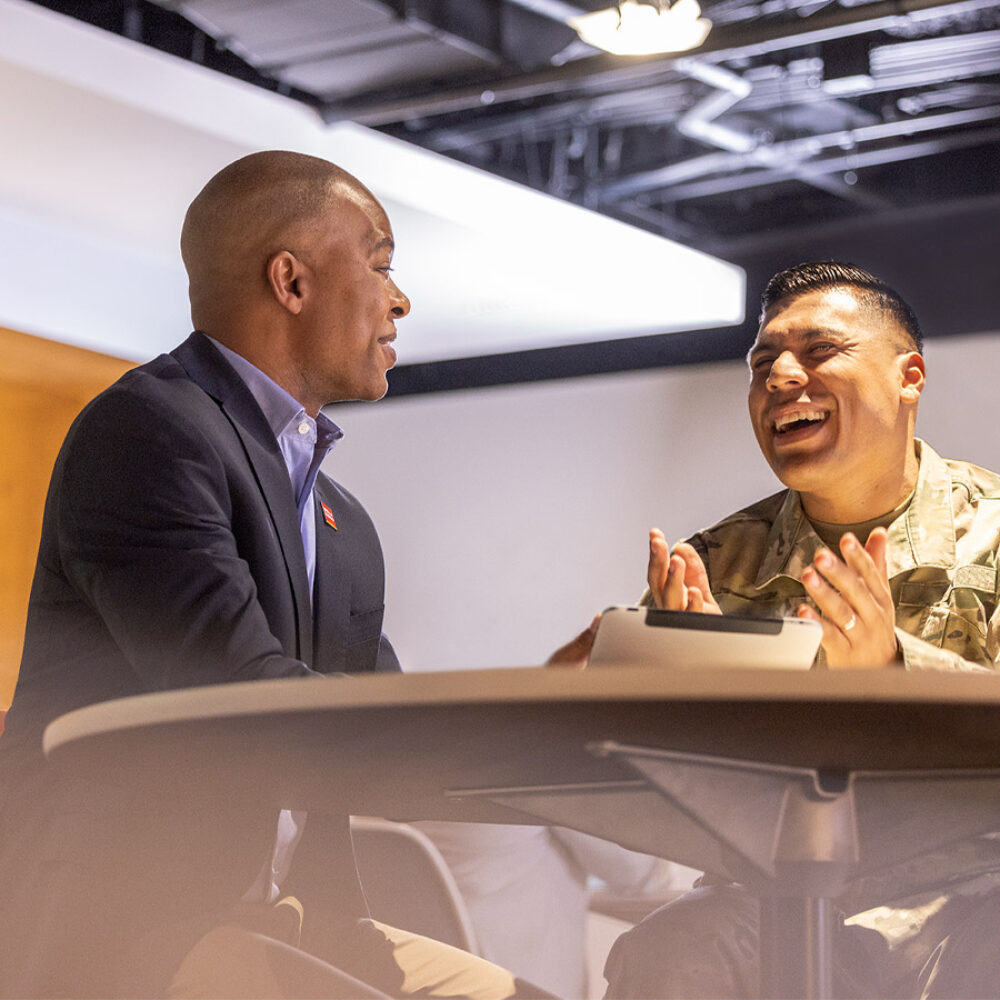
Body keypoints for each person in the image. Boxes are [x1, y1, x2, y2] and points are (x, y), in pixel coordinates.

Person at [0, 151, 544, 1000]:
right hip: (126, 922)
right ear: (290, 281)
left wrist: (559, 705)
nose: (400, 299)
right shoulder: (147, 432)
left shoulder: (345, 521)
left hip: (295, 916)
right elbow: (240, 701)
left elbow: (392, 728)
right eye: (381, 262)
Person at [586, 261, 1000, 998]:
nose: (780, 376)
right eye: (762, 362)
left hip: (972, 897)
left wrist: (897, 675)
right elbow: (661, 787)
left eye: (818, 351)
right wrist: (676, 694)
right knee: (671, 949)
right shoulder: (713, 561)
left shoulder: (992, 532)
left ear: (909, 377)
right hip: (776, 896)